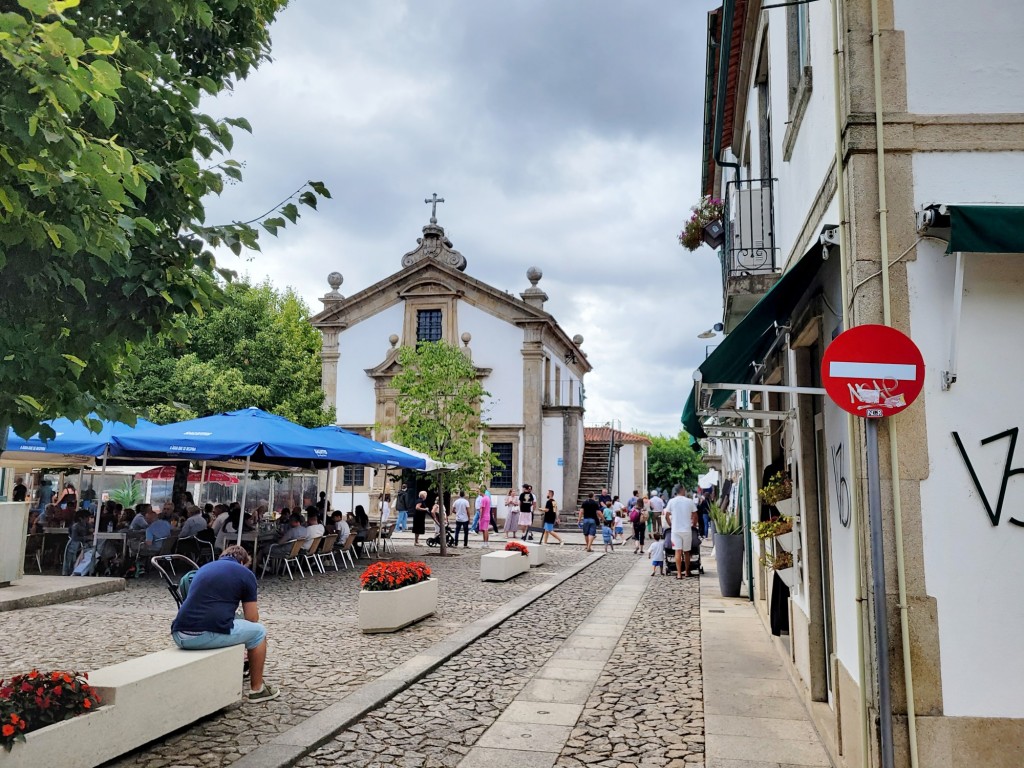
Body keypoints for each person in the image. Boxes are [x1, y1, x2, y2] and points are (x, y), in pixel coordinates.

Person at [171, 545, 279, 703]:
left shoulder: (204, 569)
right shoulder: (245, 573)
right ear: (242, 562)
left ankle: (241, 667)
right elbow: (252, 618)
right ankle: (258, 689)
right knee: (258, 632)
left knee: (236, 623)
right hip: (204, 634)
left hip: (180, 633)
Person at [665, 487, 698, 579]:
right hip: (687, 529)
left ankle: (679, 573)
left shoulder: (672, 501)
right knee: (687, 552)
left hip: (675, 530)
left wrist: (670, 524)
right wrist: (694, 524)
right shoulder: (689, 501)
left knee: (677, 551)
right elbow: (695, 515)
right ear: (682, 491)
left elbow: (666, 515)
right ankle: (687, 572)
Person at [63, 509, 93, 575]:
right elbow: (74, 538)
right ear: (81, 518)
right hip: (75, 545)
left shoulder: (86, 525)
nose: (88, 519)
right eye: (87, 517)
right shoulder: (75, 526)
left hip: (83, 545)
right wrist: (86, 537)